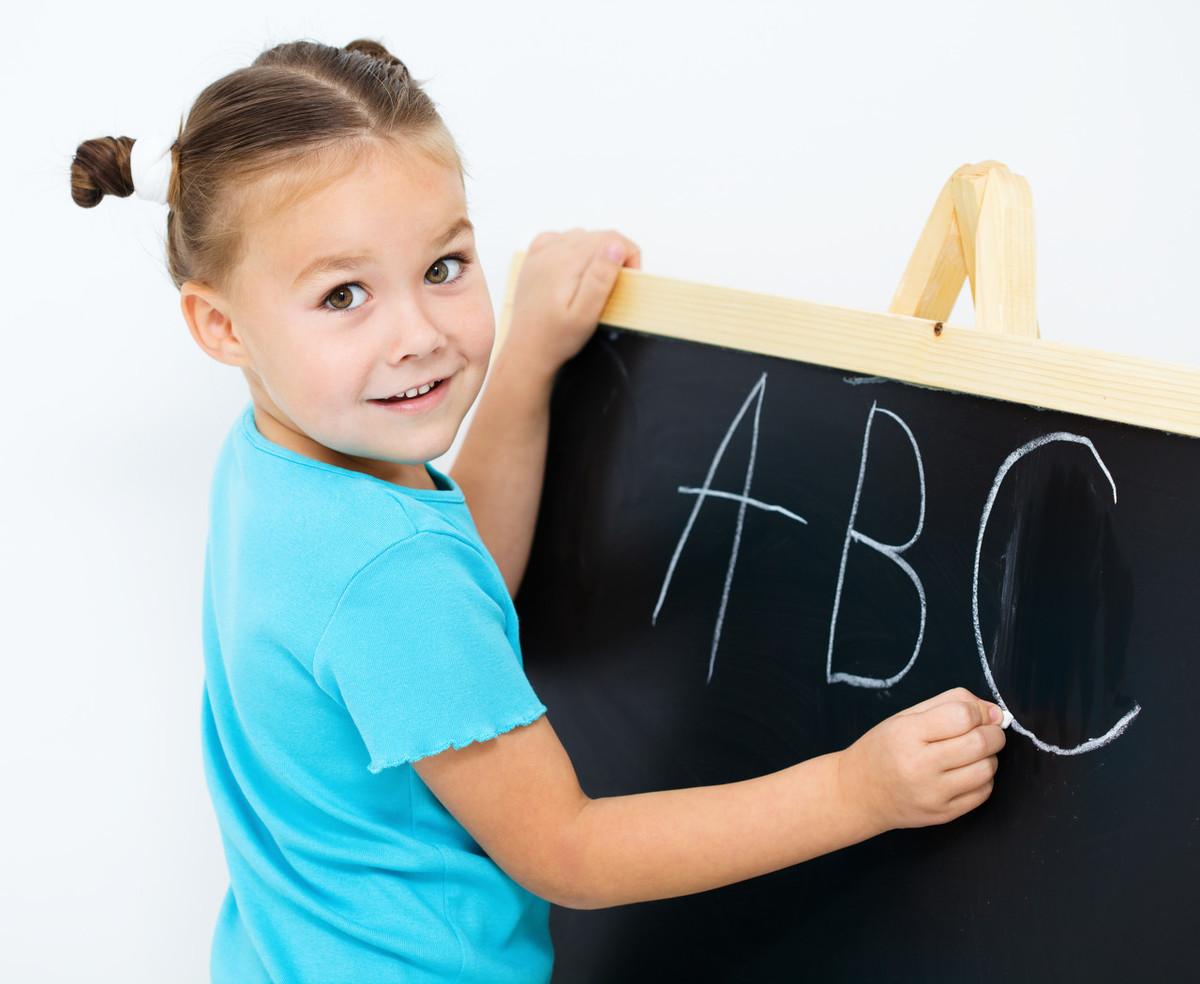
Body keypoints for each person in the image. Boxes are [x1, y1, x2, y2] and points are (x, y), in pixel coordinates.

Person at [70, 36, 1007, 984]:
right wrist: (855, 790)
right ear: (221, 324)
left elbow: (461, 581)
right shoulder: (390, 577)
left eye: (444, 267)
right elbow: (567, 849)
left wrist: (524, 362)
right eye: (344, 294)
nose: (418, 335)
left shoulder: (276, 468)